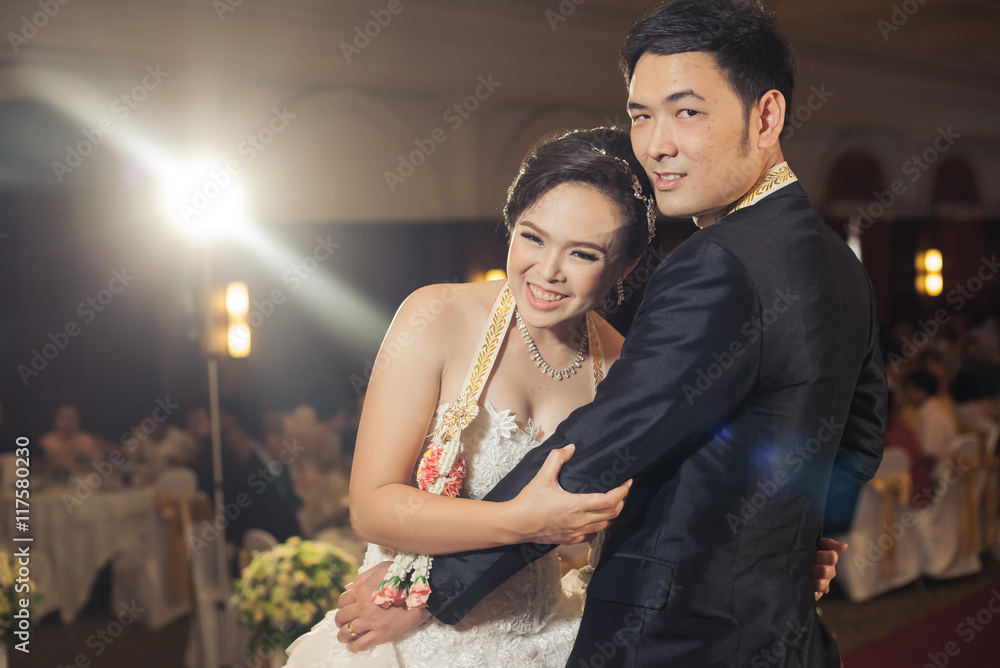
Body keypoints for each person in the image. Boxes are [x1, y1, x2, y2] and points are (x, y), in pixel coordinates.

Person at [333, 1, 883, 666]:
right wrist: (793, 544)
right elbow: (858, 441)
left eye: (687, 112)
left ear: (765, 116)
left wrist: (420, 586)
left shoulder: (717, 264)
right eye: (640, 114)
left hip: (678, 639)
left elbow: (601, 453)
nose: (656, 144)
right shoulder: (839, 263)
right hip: (781, 634)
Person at [904, 369, 958, 480]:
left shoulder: (933, 417)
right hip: (943, 478)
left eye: (909, 389)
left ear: (921, 391)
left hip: (937, 480)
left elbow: (930, 457)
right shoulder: (937, 411)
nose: (906, 393)